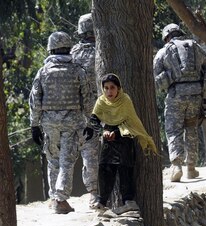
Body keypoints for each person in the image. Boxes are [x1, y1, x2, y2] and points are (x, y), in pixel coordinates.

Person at [29, 31, 93, 214]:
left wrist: (34, 125)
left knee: (53, 160)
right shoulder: (78, 70)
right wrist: (89, 121)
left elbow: (35, 100)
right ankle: (60, 199)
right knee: (67, 161)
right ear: (68, 47)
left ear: (51, 48)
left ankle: (54, 197)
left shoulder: (43, 72)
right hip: (72, 123)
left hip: (49, 123)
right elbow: (87, 98)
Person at [90, 73, 157, 214]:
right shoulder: (101, 101)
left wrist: (118, 133)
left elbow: (131, 121)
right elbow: (93, 120)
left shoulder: (125, 100)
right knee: (105, 168)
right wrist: (103, 131)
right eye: (106, 88)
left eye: (112, 88)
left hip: (124, 137)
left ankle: (129, 202)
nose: (109, 91)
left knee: (124, 168)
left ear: (118, 88)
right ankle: (102, 203)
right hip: (108, 139)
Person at [153, 23, 206, 182]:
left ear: (166, 37)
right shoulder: (196, 47)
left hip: (176, 96)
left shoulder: (163, 51)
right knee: (191, 129)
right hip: (196, 95)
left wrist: (169, 78)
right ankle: (191, 168)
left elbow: (156, 81)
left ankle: (177, 166)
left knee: (173, 130)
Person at [71, 13, 100, 208]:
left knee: (89, 151)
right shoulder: (105, 50)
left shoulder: (72, 54)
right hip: (108, 106)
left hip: (83, 111)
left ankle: (94, 194)